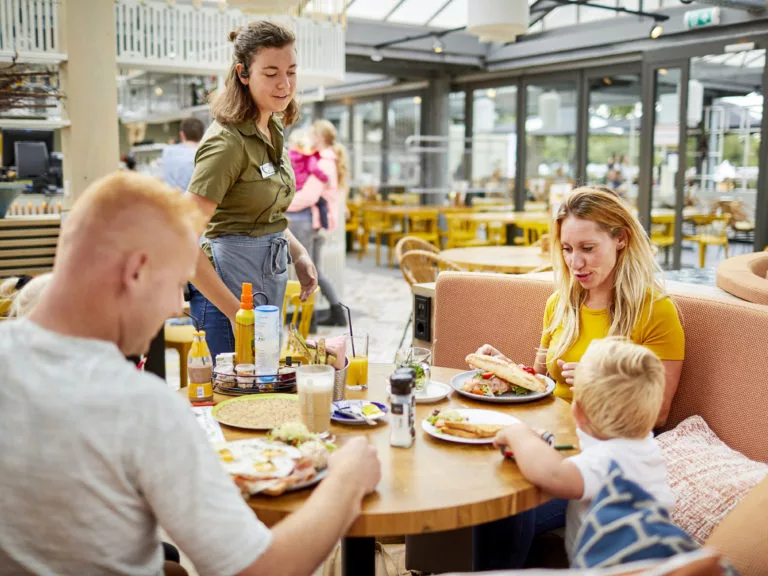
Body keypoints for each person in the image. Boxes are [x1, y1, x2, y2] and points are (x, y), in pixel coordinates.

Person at [0, 170, 381, 575]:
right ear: (136, 272)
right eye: (179, 283)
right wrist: (347, 481)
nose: (176, 307)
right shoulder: (144, 407)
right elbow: (262, 569)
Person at [473, 186, 684, 569]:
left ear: (621, 239)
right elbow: (540, 380)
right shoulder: (561, 302)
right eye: (568, 249)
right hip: (551, 439)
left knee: (504, 506)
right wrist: (506, 370)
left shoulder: (655, 312)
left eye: (588, 248)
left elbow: (659, 414)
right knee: (479, 482)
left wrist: (592, 380)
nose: (576, 262)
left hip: (598, 457)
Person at [183, 20, 318, 360]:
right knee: (233, 405)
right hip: (225, 298)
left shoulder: (272, 125)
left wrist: (298, 253)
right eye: (270, 73)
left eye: (291, 71)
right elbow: (181, 240)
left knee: (263, 393)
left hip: (265, 286)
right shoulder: (226, 143)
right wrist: (236, 314)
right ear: (243, 73)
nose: (285, 84)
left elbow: (260, 214)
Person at [493, 337, 675, 562]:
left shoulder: (607, 461)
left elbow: (553, 474)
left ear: (577, 411)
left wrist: (517, 433)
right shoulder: (644, 447)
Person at [286, 119, 350, 327]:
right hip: (313, 221)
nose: (309, 139)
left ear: (320, 137)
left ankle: (311, 319)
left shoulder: (324, 162)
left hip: (308, 220)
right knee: (313, 269)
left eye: (313, 134)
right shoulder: (326, 159)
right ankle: (333, 312)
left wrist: (281, 205)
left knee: (306, 269)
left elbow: (309, 196)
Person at [287, 129, 329, 229]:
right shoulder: (308, 156)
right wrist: (324, 177)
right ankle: (325, 225)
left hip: (291, 186)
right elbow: (313, 168)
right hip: (302, 186)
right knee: (322, 202)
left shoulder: (287, 155)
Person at [162, 117, 205, 192]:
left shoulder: (167, 151)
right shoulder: (203, 155)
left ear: (182, 135)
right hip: (192, 202)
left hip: (169, 201)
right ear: (203, 135)